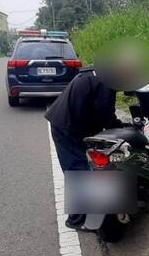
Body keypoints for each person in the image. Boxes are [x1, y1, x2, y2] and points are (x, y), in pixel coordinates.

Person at [45, 66, 123, 229]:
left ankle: (88, 212)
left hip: (71, 121)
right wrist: (120, 128)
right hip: (66, 125)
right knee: (78, 169)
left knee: (83, 165)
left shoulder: (96, 72)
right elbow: (105, 113)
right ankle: (76, 220)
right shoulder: (106, 81)